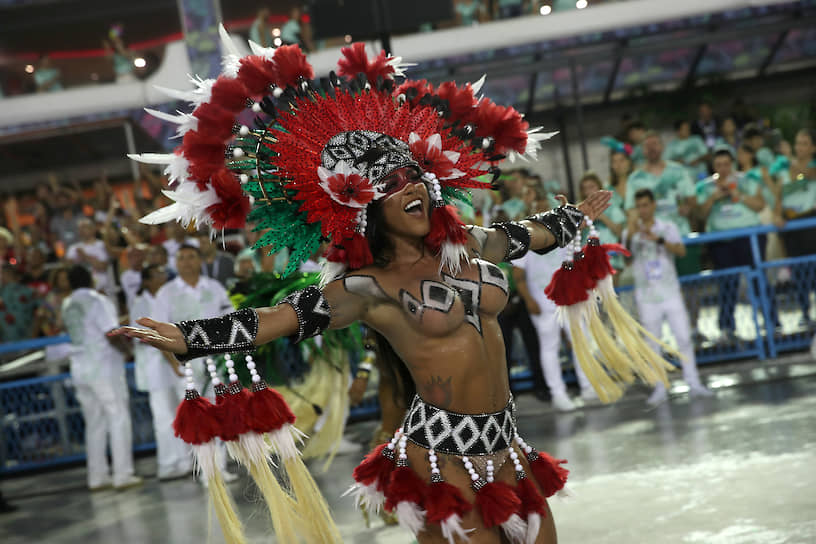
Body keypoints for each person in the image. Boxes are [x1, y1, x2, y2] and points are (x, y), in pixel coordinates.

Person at [115, 40, 669, 543]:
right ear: (361, 206)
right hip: (443, 459)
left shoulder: (463, 243)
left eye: (412, 176)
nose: (410, 189)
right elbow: (280, 318)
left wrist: (573, 217)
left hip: (508, 447)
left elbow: (522, 237)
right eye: (389, 184)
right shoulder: (367, 287)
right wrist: (190, 336)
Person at [147, 244, 238, 482]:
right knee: (198, 415)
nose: (186, 262)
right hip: (184, 364)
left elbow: (230, 318)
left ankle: (220, 467)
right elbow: (157, 332)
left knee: (218, 410)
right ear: (175, 264)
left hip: (214, 360)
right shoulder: (166, 293)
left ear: (200, 261)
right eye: (181, 258)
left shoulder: (215, 287)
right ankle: (207, 471)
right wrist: (173, 364)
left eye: (191, 257)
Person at [624, 190, 712, 406]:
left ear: (653, 205)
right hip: (646, 296)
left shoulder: (667, 227)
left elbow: (681, 250)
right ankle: (659, 388)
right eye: (639, 206)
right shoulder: (631, 232)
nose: (643, 210)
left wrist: (660, 240)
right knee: (653, 344)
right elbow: (626, 259)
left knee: (683, 337)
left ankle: (694, 382)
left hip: (670, 291)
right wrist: (632, 235)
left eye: (646, 205)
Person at [62, 264, 142, 491]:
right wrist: (128, 352)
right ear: (90, 280)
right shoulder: (98, 301)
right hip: (103, 368)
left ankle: (97, 477)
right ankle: (122, 475)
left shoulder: (68, 304)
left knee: (94, 423)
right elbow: (110, 333)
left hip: (79, 368)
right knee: (117, 418)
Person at [696, 148, 770, 341]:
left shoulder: (746, 180)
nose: (723, 169)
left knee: (758, 280)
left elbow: (760, 205)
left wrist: (739, 194)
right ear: (713, 166)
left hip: (749, 238)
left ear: (733, 164)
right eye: (719, 165)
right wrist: (714, 198)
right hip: (720, 242)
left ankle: (771, 321)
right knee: (727, 284)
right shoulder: (704, 187)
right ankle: (727, 328)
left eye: (727, 164)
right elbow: (700, 215)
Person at [131, 264, 190, 480]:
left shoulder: (168, 297)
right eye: (157, 274)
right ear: (147, 280)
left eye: (163, 273)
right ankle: (167, 464)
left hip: (172, 364)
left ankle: (185, 460)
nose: (162, 276)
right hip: (154, 367)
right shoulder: (140, 304)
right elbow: (143, 335)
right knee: (162, 417)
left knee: (180, 413)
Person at [773, 128, 816, 327]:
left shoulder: (811, 167)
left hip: (811, 224)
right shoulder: (783, 171)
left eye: (804, 143)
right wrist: (777, 215)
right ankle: (805, 312)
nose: (799, 147)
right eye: (797, 143)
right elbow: (779, 198)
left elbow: (809, 174)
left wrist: (789, 158)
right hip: (793, 227)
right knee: (799, 272)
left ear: (813, 148)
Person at [67, 218, 111, 295]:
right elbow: (68, 268)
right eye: (80, 228)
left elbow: (103, 266)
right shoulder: (73, 248)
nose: (82, 230)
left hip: (102, 288)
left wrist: (85, 256)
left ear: (93, 229)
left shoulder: (102, 245)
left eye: (84, 227)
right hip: (81, 289)